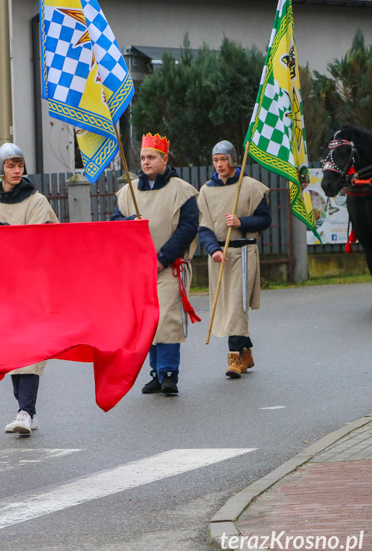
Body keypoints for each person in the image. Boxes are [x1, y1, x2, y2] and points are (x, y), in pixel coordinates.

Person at [0, 143, 58, 435]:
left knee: (31, 351)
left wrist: (2, 231)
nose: (16, 170)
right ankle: (24, 409)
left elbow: (37, 242)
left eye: (19, 164)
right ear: (1, 169)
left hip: (31, 287)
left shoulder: (37, 202)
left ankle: (26, 411)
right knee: (12, 351)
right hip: (1, 291)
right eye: (10, 165)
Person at [111, 133, 200, 396]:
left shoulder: (181, 190)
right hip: (139, 268)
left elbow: (187, 228)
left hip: (169, 266)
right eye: (142, 158)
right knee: (147, 321)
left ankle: (169, 373)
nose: (146, 162)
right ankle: (156, 373)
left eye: (151, 157)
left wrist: (162, 259)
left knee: (166, 319)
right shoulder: (128, 191)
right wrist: (129, 221)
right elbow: (115, 224)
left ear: (164, 159)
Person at [198, 140, 271, 378]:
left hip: (244, 253)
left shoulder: (250, 186)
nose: (219, 164)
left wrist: (242, 222)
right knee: (226, 307)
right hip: (220, 256)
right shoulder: (206, 191)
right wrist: (213, 250)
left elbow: (265, 220)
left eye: (223, 159)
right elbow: (204, 227)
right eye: (215, 160)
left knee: (237, 306)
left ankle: (234, 359)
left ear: (232, 160)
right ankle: (246, 351)